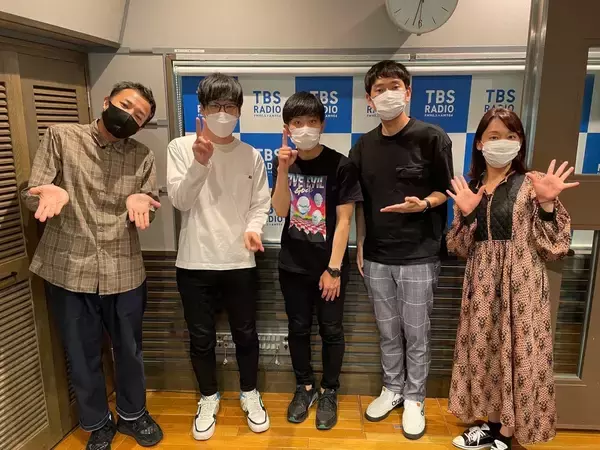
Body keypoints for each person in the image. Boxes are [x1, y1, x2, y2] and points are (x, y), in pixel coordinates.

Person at [22, 82, 164, 450]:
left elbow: (148, 203)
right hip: (70, 268)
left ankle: (133, 415)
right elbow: (33, 193)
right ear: (106, 102)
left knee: (129, 349)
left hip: (124, 269)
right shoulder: (62, 137)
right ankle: (97, 423)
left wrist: (143, 201)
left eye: (139, 116)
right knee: (81, 351)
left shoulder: (142, 155)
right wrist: (46, 192)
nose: (129, 116)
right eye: (125, 105)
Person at [446, 108, 578, 450]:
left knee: (518, 353)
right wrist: (467, 215)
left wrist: (547, 206)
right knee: (486, 351)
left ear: (520, 142)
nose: (502, 143)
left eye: (511, 136)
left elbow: (555, 246)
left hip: (521, 283)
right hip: (481, 283)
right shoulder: (472, 188)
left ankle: (508, 431)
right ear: (479, 143)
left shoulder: (533, 184)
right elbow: (459, 247)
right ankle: (491, 425)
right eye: (493, 136)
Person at [349, 60, 454, 440]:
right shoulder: (363, 146)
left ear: (408, 92)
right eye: (379, 89)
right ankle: (392, 388)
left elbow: (446, 191)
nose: (387, 94)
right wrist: (361, 243)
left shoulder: (432, 138)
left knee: (416, 332)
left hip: (419, 255)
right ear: (369, 99)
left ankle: (414, 398)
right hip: (377, 255)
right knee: (388, 331)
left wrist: (423, 204)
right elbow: (359, 202)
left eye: (394, 86)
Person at [166, 73, 271, 441]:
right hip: (194, 262)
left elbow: (260, 203)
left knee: (246, 334)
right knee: (201, 338)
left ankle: (250, 392)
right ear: (202, 109)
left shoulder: (250, 155)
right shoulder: (181, 147)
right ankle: (208, 397)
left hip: (240, 262)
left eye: (230, 106)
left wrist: (254, 228)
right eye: (215, 105)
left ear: (239, 111)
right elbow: (180, 201)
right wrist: (200, 163)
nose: (223, 112)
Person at [271, 92, 363, 430]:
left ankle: (329, 390)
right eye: (298, 122)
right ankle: (305, 387)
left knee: (331, 330)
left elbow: (345, 221)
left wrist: (334, 269)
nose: (305, 128)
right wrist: (282, 170)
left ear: (322, 125)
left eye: (312, 121)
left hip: (329, 267)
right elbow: (281, 209)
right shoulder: (286, 162)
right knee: (297, 328)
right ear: (287, 128)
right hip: (292, 265)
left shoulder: (341, 165)